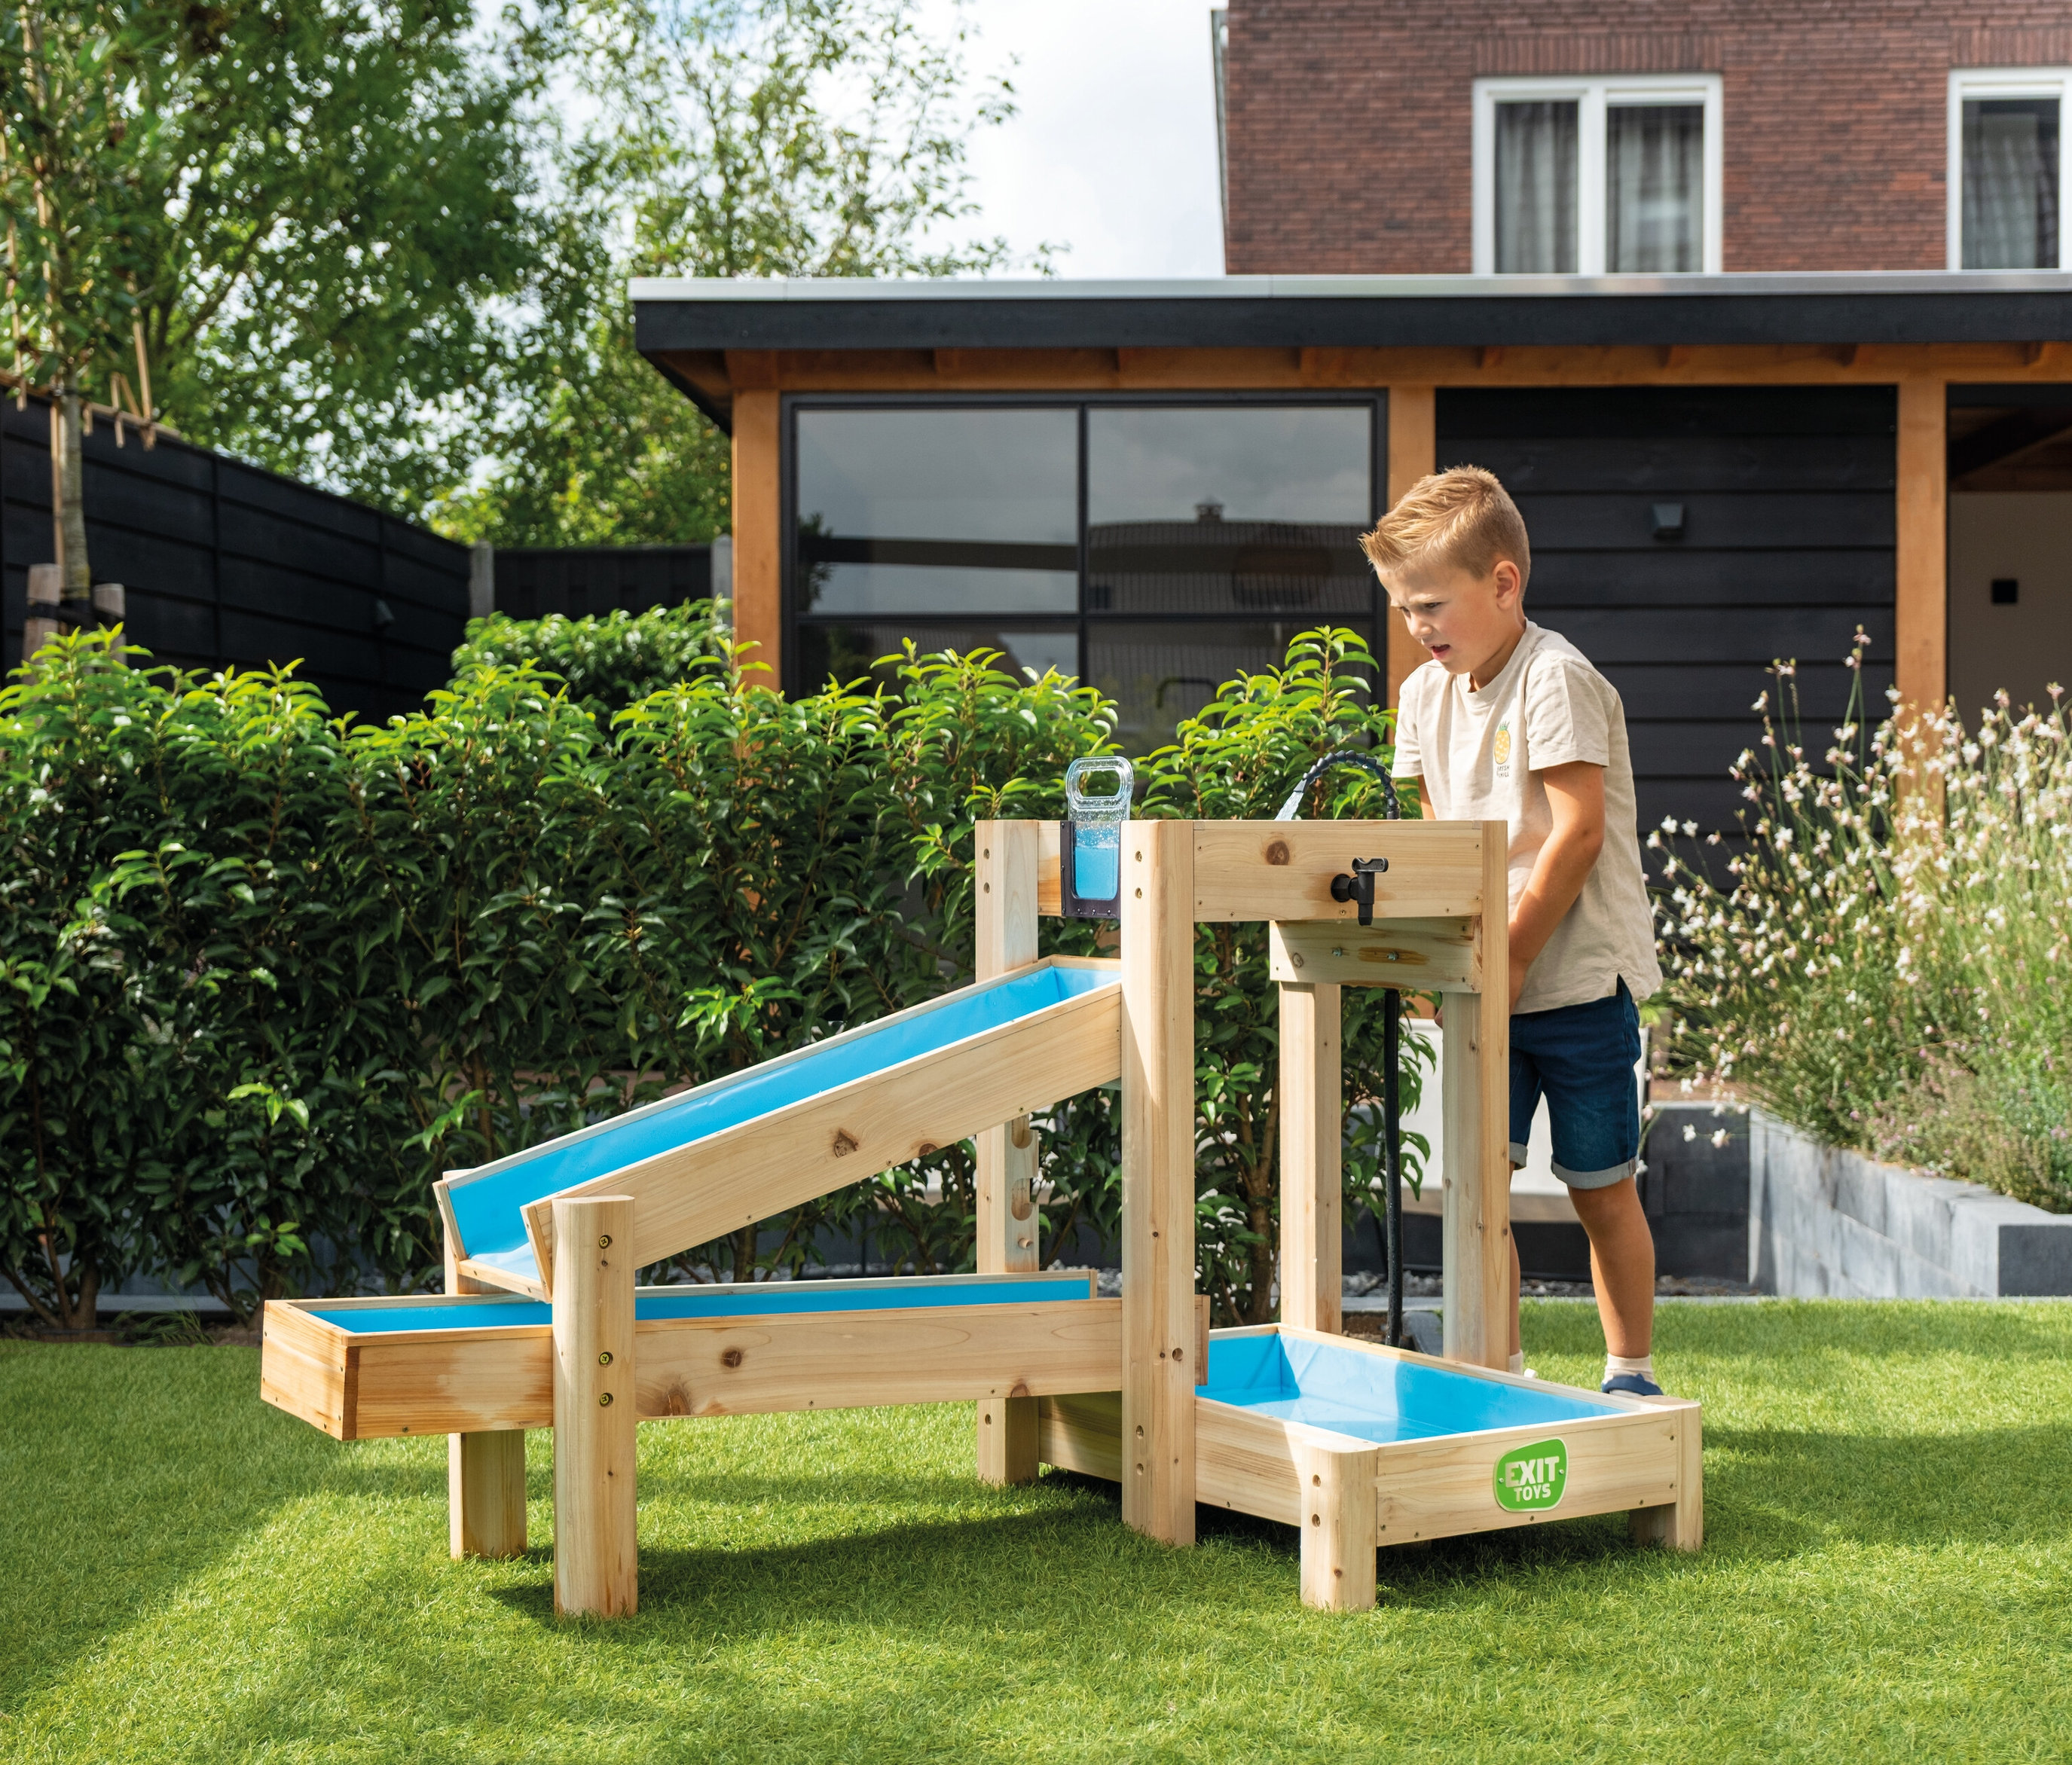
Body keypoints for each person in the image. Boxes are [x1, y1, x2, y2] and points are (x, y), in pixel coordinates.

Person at [1360, 466, 1667, 1397]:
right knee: (1478, 1195)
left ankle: (1629, 1375)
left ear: (1502, 583)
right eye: (1405, 610)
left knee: (1598, 1187)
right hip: (1482, 985)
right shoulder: (1421, 697)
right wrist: (1436, 957)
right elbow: (1430, 841)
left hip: (1572, 987)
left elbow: (1575, 834)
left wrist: (1513, 953)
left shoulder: (1553, 678)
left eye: (1431, 605)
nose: (1418, 628)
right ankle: (1501, 1371)